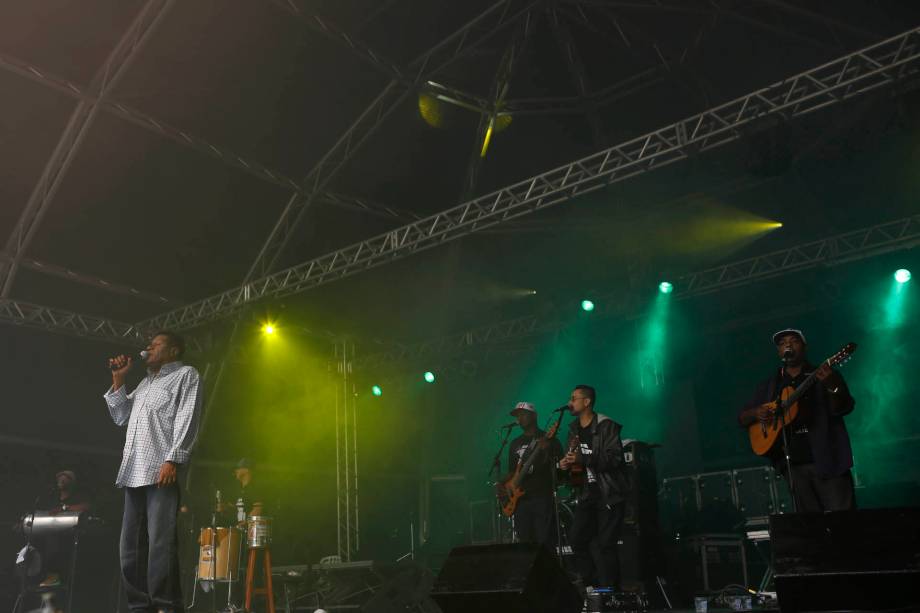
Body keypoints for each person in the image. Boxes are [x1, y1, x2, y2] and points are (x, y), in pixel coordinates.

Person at [105, 331, 203, 613]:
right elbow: (120, 416)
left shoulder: (186, 375)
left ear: (173, 350)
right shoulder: (146, 383)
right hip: (133, 471)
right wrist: (119, 379)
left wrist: (173, 460)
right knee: (129, 549)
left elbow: (188, 417)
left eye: (155, 344)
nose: (148, 348)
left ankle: (166, 606)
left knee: (161, 546)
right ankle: (139, 607)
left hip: (161, 471)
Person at [738, 328, 856, 512]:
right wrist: (757, 412)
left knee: (843, 521)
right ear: (779, 351)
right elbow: (742, 418)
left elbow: (844, 407)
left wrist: (832, 385)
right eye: (782, 343)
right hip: (793, 466)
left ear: (804, 346)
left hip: (828, 460)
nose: (788, 344)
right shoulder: (771, 385)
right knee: (809, 528)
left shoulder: (823, 375)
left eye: (793, 341)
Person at [559, 385, 629, 589]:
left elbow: (615, 458)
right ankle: (593, 584)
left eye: (574, 398)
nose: (569, 402)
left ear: (587, 402)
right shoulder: (573, 429)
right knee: (577, 540)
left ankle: (611, 593)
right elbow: (575, 461)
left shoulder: (607, 425)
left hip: (608, 493)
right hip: (586, 493)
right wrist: (567, 465)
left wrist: (585, 458)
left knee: (606, 545)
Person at [499, 402, 563, 547]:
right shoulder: (514, 443)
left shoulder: (549, 439)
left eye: (523, 414)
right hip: (520, 501)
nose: (519, 418)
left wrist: (546, 450)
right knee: (525, 543)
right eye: (517, 415)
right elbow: (511, 471)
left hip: (542, 498)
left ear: (534, 416)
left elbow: (560, 467)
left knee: (544, 542)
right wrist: (502, 484)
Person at [36, 470, 93, 588]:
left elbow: (86, 506)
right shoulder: (52, 497)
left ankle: (56, 579)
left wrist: (64, 508)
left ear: (72, 483)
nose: (61, 480)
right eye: (59, 478)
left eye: (65, 478)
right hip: (49, 537)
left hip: (67, 540)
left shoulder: (77, 497)